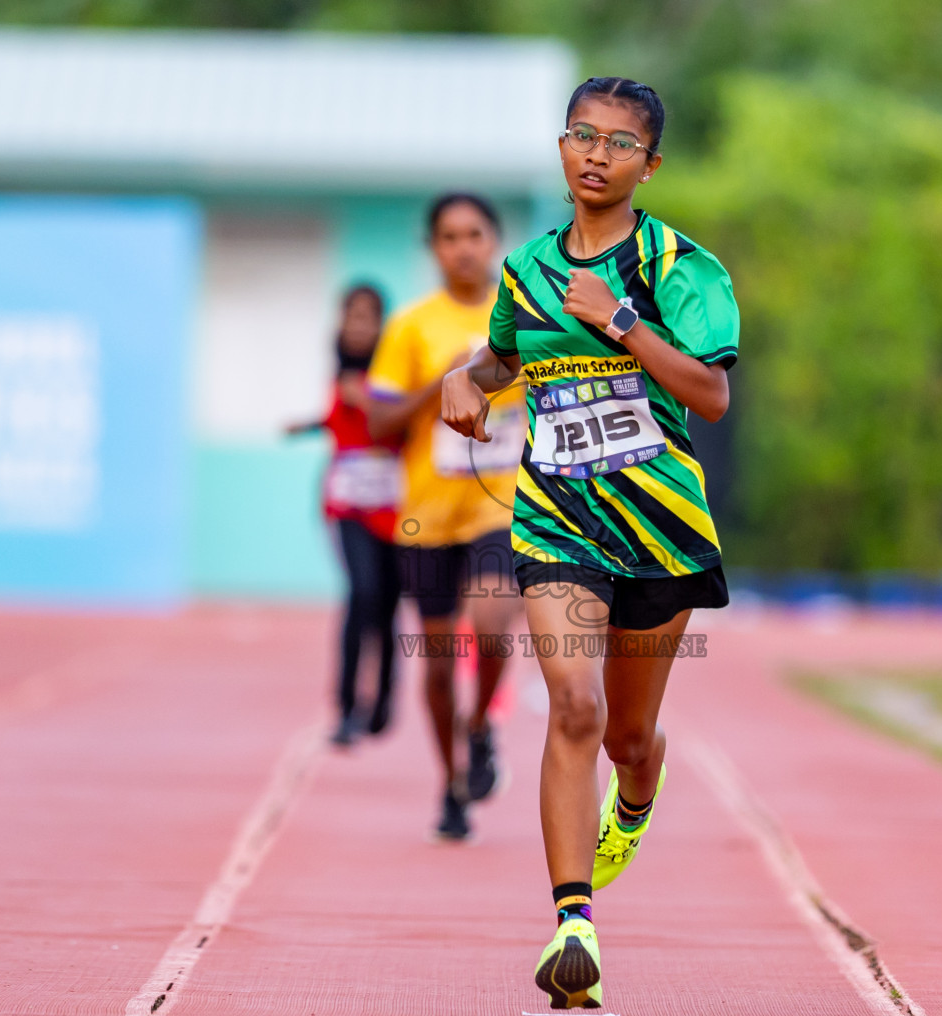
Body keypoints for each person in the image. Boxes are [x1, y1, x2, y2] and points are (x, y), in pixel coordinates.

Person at [440, 78, 737, 1009]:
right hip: (556, 518)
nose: (597, 153)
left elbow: (710, 394)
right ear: (561, 149)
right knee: (572, 706)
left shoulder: (678, 265)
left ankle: (637, 800)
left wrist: (617, 318)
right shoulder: (525, 269)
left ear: (651, 164)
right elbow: (504, 356)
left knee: (628, 734)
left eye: (620, 142)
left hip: (660, 531)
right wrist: (467, 377)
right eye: (582, 135)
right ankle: (574, 925)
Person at [367, 193, 526, 841]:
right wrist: (448, 381)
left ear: (495, 241)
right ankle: (451, 781)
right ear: (433, 248)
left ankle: (482, 723)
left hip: (504, 507)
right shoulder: (410, 326)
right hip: (429, 516)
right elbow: (379, 422)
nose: (463, 247)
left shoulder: (523, 316)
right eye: (449, 236)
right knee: (435, 666)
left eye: (475, 234)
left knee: (492, 628)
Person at [285, 284, 402, 747]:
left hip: (394, 504)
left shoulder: (395, 371)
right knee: (361, 593)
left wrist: (370, 401)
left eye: (367, 317)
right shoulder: (339, 373)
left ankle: (384, 701)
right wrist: (311, 424)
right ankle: (348, 705)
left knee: (389, 603)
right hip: (347, 504)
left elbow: (405, 420)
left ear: (381, 325)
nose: (357, 326)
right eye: (350, 316)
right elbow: (340, 420)